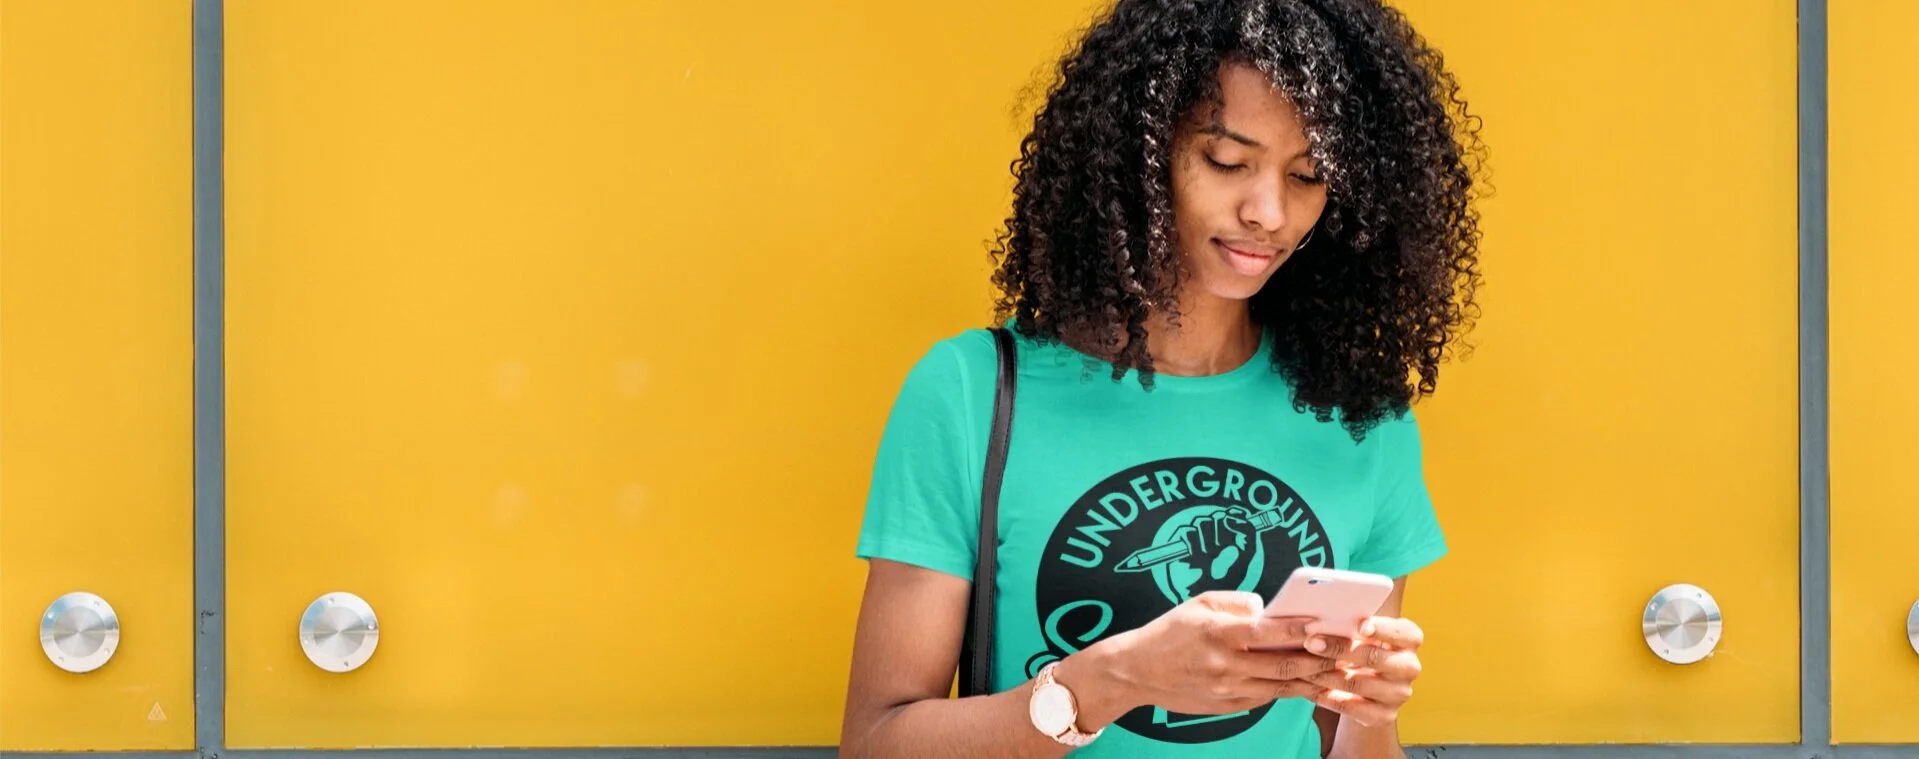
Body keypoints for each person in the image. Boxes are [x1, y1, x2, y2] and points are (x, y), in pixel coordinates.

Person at [840, 0, 1485, 756]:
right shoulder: (970, 392)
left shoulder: (1358, 415)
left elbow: (1344, 744)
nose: (1269, 212)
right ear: (1137, 155)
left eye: (1308, 175)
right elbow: (875, 743)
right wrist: (1113, 679)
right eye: (1227, 161)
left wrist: (1366, 709)